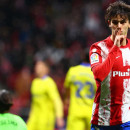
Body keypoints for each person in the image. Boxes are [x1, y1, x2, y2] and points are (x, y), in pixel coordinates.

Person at [89, 1, 130, 130]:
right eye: (115, 22)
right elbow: (99, 75)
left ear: (129, 24)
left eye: (123, 22)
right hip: (102, 119)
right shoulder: (97, 48)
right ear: (109, 23)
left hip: (126, 119)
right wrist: (115, 48)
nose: (119, 26)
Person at [63, 49, 97, 130]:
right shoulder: (96, 73)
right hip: (91, 113)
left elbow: (66, 90)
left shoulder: (73, 71)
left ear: (82, 57)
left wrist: (66, 99)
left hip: (76, 111)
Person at [27, 60, 64, 130]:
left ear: (46, 69)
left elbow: (57, 100)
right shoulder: (35, 82)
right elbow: (34, 103)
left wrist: (59, 116)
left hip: (46, 119)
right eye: (36, 66)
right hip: (34, 118)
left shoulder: (49, 83)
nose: (37, 68)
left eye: (39, 66)